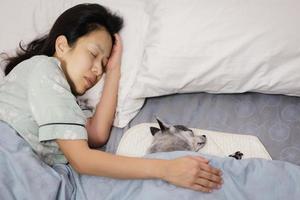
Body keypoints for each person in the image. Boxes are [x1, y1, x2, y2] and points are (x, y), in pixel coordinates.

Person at [0, 3, 223, 193]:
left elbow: (96, 134)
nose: (98, 70)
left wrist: (114, 71)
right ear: (61, 45)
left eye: (103, 64)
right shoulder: (44, 69)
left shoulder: (68, 101)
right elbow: (82, 159)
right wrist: (165, 169)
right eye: (93, 54)